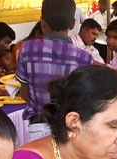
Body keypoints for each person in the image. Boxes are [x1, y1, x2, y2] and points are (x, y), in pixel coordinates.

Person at [16, 0, 94, 142]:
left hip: (38, 127)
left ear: (42, 22)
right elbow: (85, 100)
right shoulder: (85, 58)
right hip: (70, 129)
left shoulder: (27, 49)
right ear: (73, 24)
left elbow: (24, 93)